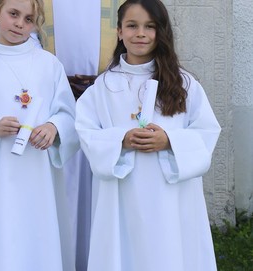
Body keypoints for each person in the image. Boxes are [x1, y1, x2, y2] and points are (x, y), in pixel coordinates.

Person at [75, 0, 220, 269]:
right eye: (132, 25)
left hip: (170, 196)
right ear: (119, 31)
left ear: (160, 32)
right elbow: (86, 131)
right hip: (122, 194)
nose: (140, 33)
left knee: (169, 252)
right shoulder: (104, 86)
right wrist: (121, 139)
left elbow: (206, 131)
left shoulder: (183, 83)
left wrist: (169, 140)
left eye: (149, 27)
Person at [0, 0, 79, 269]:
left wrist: (54, 128)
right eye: (13, 14)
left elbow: (70, 116)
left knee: (38, 240)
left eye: (28, 19)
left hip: (39, 176)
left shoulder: (49, 65)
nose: (19, 24)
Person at [40, 1, 125, 270]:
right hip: (53, 101)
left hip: (108, 97)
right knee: (63, 190)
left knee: (101, 191)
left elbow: (134, 36)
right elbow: (28, 37)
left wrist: (104, 79)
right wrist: (59, 80)